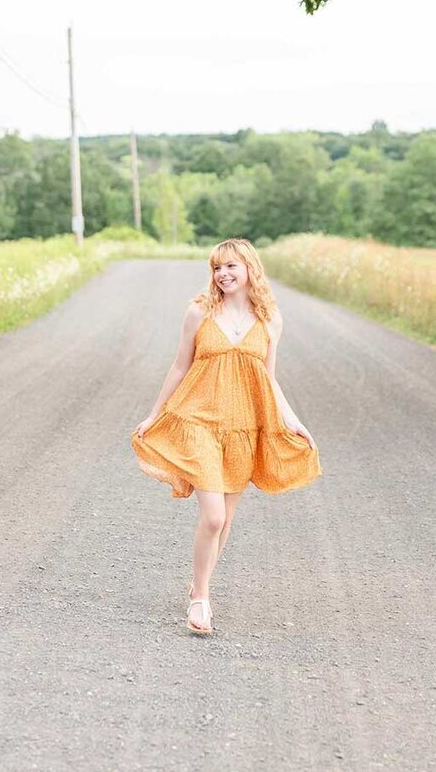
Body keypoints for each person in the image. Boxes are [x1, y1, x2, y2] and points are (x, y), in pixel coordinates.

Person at [130, 238, 322, 635]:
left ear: (250, 268)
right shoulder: (199, 312)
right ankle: (200, 599)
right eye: (217, 268)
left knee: (226, 519)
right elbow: (179, 366)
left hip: (243, 426)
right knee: (213, 516)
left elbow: (268, 379)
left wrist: (292, 420)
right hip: (199, 419)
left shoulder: (270, 319)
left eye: (232, 266)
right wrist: (154, 413)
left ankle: (199, 587)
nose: (223, 274)